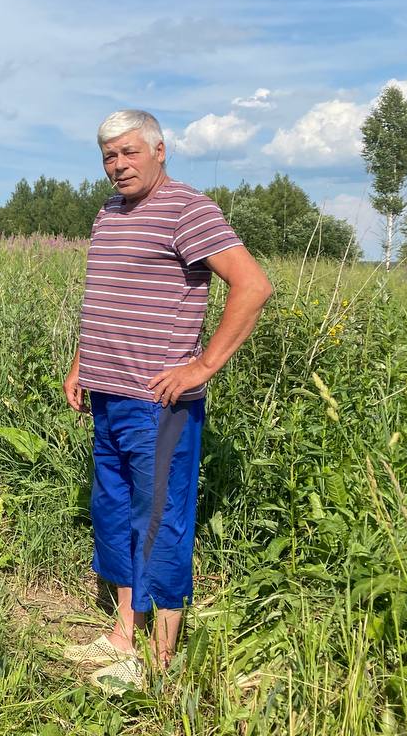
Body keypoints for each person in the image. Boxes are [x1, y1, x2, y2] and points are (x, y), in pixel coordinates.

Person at [60, 109, 273, 691]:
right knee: (113, 511)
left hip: (160, 403)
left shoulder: (189, 208)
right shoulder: (109, 214)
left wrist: (202, 366)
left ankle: (161, 661)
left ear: (159, 150)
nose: (118, 165)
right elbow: (105, 294)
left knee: (160, 522)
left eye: (129, 152)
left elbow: (253, 285)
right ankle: (123, 637)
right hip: (108, 393)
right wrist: (84, 361)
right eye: (108, 156)